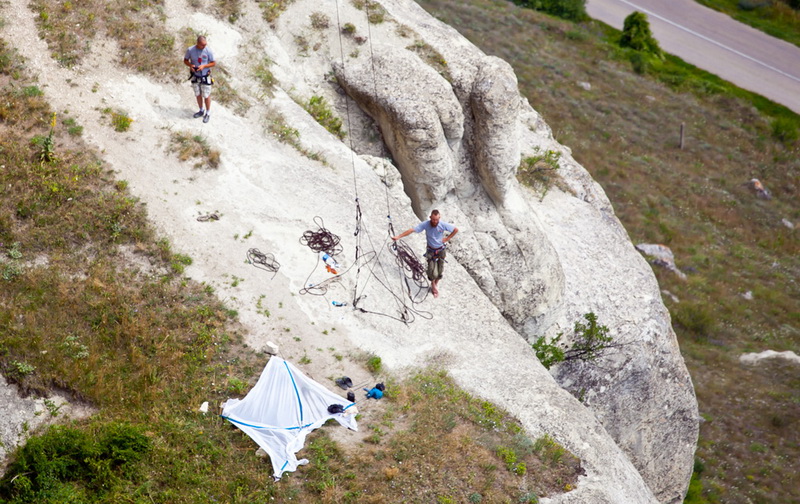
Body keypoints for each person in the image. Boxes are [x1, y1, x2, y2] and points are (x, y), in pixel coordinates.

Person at [391, 210, 458, 298]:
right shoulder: (426, 224)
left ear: (439, 218)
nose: (435, 221)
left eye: (436, 220)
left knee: (440, 271)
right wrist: (398, 237)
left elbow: (455, 229)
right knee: (432, 272)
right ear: (430, 218)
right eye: (433, 219)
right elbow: (412, 230)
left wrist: (447, 238)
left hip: (441, 250)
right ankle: (433, 286)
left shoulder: (442, 224)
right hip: (431, 251)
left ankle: (435, 284)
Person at [184, 36, 216, 123]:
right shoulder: (190, 50)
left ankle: (208, 112)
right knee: (197, 94)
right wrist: (191, 65)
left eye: (205, 44)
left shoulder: (208, 50)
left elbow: (213, 63)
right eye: (202, 45)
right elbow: (185, 60)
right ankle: (201, 110)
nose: (204, 46)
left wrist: (204, 66)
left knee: (206, 95)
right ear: (197, 43)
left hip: (205, 75)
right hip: (195, 75)